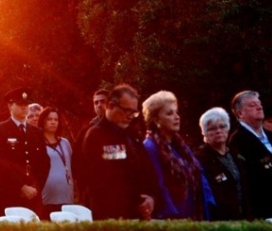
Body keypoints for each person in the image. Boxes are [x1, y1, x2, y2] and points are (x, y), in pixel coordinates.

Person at [83, 84, 158, 220]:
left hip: (137, 213)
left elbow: (146, 169)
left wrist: (150, 197)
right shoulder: (96, 135)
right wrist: (135, 200)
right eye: (126, 111)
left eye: (134, 112)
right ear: (111, 106)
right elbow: (102, 180)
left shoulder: (132, 134)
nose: (130, 116)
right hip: (112, 216)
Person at [142, 91, 212, 220]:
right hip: (174, 218)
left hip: (196, 213)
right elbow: (159, 185)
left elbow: (199, 172)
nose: (177, 117)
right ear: (156, 120)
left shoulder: (181, 146)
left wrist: (209, 200)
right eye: (169, 113)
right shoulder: (150, 147)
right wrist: (172, 215)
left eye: (176, 112)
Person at [0, 87, 50, 219]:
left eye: (26, 104)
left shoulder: (36, 132)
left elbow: (44, 163)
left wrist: (35, 187)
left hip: (33, 195)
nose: (24, 108)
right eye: (20, 104)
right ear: (10, 105)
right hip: (8, 194)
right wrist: (21, 187)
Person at [196, 107, 249, 220]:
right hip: (219, 222)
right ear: (204, 133)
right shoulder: (200, 159)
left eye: (222, 126)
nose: (218, 131)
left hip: (244, 219)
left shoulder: (236, 154)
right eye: (212, 128)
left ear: (228, 128)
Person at [227, 90, 272, 219]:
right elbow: (246, 181)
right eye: (252, 105)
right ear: (240, 113)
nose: (259, 107)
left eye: (259, 104)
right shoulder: (237, 141)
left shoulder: (270, 135)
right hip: (263, 213)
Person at [74, 89, 109, 204]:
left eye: (103, 101)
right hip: (93, 192)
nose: (99, 105)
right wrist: (84, 185)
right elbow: (77, 160)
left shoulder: (121, 129)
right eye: (96, 102)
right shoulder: (86, 131)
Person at [38, 107, 74, 218]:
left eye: (56, 119)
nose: (53, 122)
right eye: (49, 119)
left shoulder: (65, 142)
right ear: (43, 121)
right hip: (46, 197)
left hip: (65, 195)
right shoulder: (38, 143)